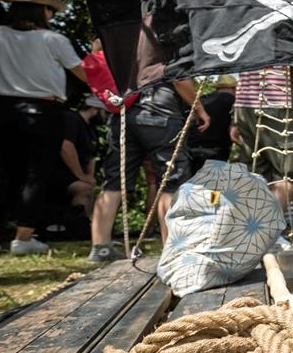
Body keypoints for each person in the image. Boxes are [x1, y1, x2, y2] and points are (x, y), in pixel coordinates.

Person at [0, 0, 88, 256]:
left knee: (7, 173)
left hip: (4, 111)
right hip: (44, 110)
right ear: (41, 10)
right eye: (50, 9)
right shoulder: (52, 39)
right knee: (38, 174)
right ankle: (23, 238)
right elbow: (82, 73)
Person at [88, 79, 210, 262]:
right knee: (172, 182)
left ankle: (100, 247)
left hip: (123, 108)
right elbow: (179, 78)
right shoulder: (165, 49)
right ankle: (174, 250)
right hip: (160, 109)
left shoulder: (121, 48)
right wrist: (199, 107)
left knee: (114, 181)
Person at [230, 66, 293, 212]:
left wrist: (235, 118)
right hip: (276, 101)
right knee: (289, 174)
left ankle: (249, 228)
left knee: (256, 173)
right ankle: (264, 229)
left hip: (245, 104)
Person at [52, 95, 105, 219]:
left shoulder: (91, 129)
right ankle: (76, 226)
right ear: (94, 109)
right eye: (103, 112)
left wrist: (90, 177)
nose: (105, 116)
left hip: (77, 175)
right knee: (84, 189)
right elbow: (66, 146)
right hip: (60, 173)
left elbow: (92, 156)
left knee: (90, 189)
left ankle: (83, 227)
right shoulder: (72, 119)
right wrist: (81, 175)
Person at [187, 74, 236, 175]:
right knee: (213, 186)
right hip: (216, 152)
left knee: (193, 186)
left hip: (192, 150)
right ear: (234, 88)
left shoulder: (201, 99)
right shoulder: (232, 101)